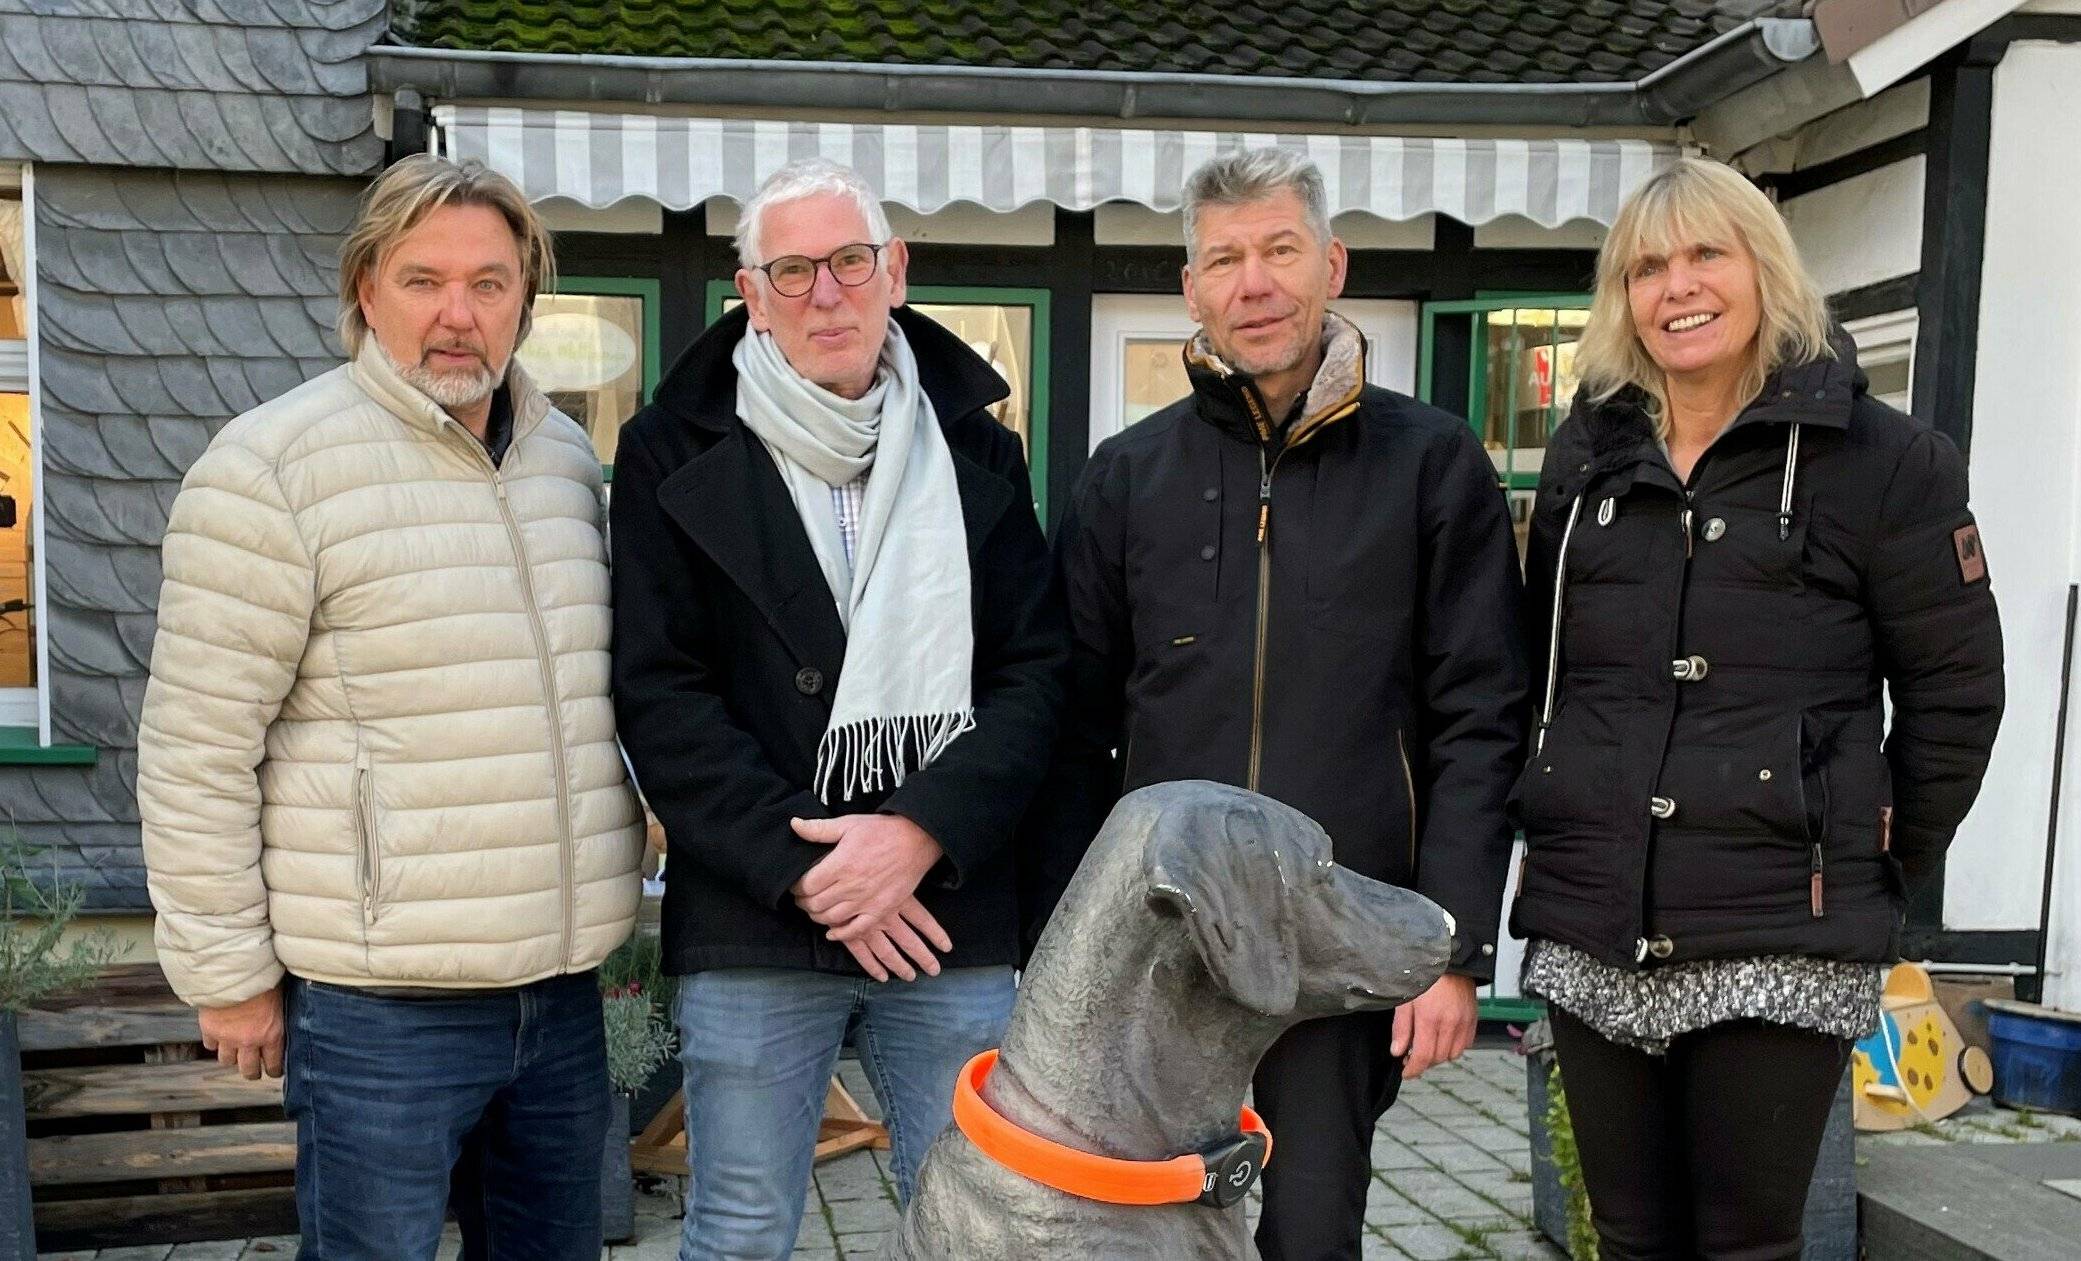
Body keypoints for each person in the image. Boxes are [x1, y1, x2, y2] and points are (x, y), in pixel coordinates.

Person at [137, 155, 645, 1258]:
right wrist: (226, 977)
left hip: (557, 996)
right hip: (378, 1008)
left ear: (525, 296)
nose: (457, 316)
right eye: (422, 281)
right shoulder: (272, 466)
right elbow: (195, 746)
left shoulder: (564, 462)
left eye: (489, 282)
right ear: (365, 291)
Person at [1513, 156, 2005, 1260]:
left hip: (1782, 920)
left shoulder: (1884, 462)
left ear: (1761, 269)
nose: (1674, 286)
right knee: (1630, 1236)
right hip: (1593, 911)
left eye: (1703, 254)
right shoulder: (1586, 458)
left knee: (1745, 1242)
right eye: (1644, 266)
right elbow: (1534, 662)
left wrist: (1882, 853)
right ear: (1620, 297)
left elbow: (1956, 690)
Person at [1043, 147, 1528, 1261]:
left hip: (1334, 944)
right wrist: (1062, 942)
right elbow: (1075, 729)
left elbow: (1479, 714)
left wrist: (1449, 948)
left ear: (1331, 263)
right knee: (1145, 1230)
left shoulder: (1432, 463)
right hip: (1160, 953)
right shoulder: (1124, 476)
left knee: (1312, 1231)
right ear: (1190, 288)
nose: (1252, 282)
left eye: (1278, 250)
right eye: (1224, 258)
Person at [608, 157, 1065, 1260]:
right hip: (757, 908)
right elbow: (657, 691)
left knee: (975, 1231)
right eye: (793, 269)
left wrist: (917, 833)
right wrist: (811, 866)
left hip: (944, 909)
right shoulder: (667, 449)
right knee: (738, 1231)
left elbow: (1034, 671)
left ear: (893, 270)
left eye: (849, 261)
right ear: (748, 292)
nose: (826, 292)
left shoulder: (976, 449)